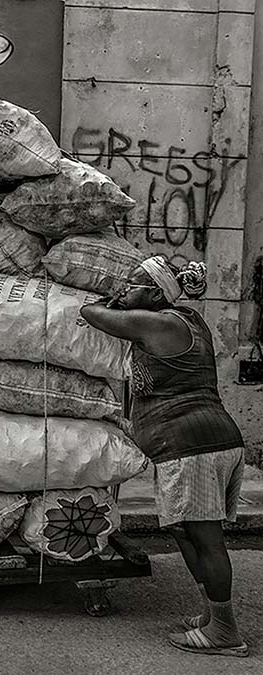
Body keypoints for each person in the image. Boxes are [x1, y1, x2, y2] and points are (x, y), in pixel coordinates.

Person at [80, 255, 248, 658]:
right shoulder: (185, 319)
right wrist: (126, 295)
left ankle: (225, 632)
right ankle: (212, 615)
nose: (124, 289)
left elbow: (92, 313)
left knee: (207, 540)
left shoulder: (158, 323)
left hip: (193, 447)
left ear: (156, 295)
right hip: (201, 444)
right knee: (184, 531)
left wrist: (113, 299)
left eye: (133, 284)